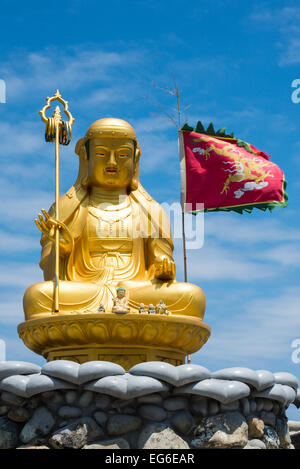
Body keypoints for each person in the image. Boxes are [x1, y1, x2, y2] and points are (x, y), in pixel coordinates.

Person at [23, 118, 206, 320]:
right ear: (86, 156)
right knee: (38, 295)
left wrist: (163, 268)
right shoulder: (66, 208)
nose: (112, 162)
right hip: (85, 292)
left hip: (135, 293)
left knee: (192, 296)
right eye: (102, 154)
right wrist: (61, 251)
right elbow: (51, 277)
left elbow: (160, 267)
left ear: (135, 159)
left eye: (122, 155)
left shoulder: (151, 210)